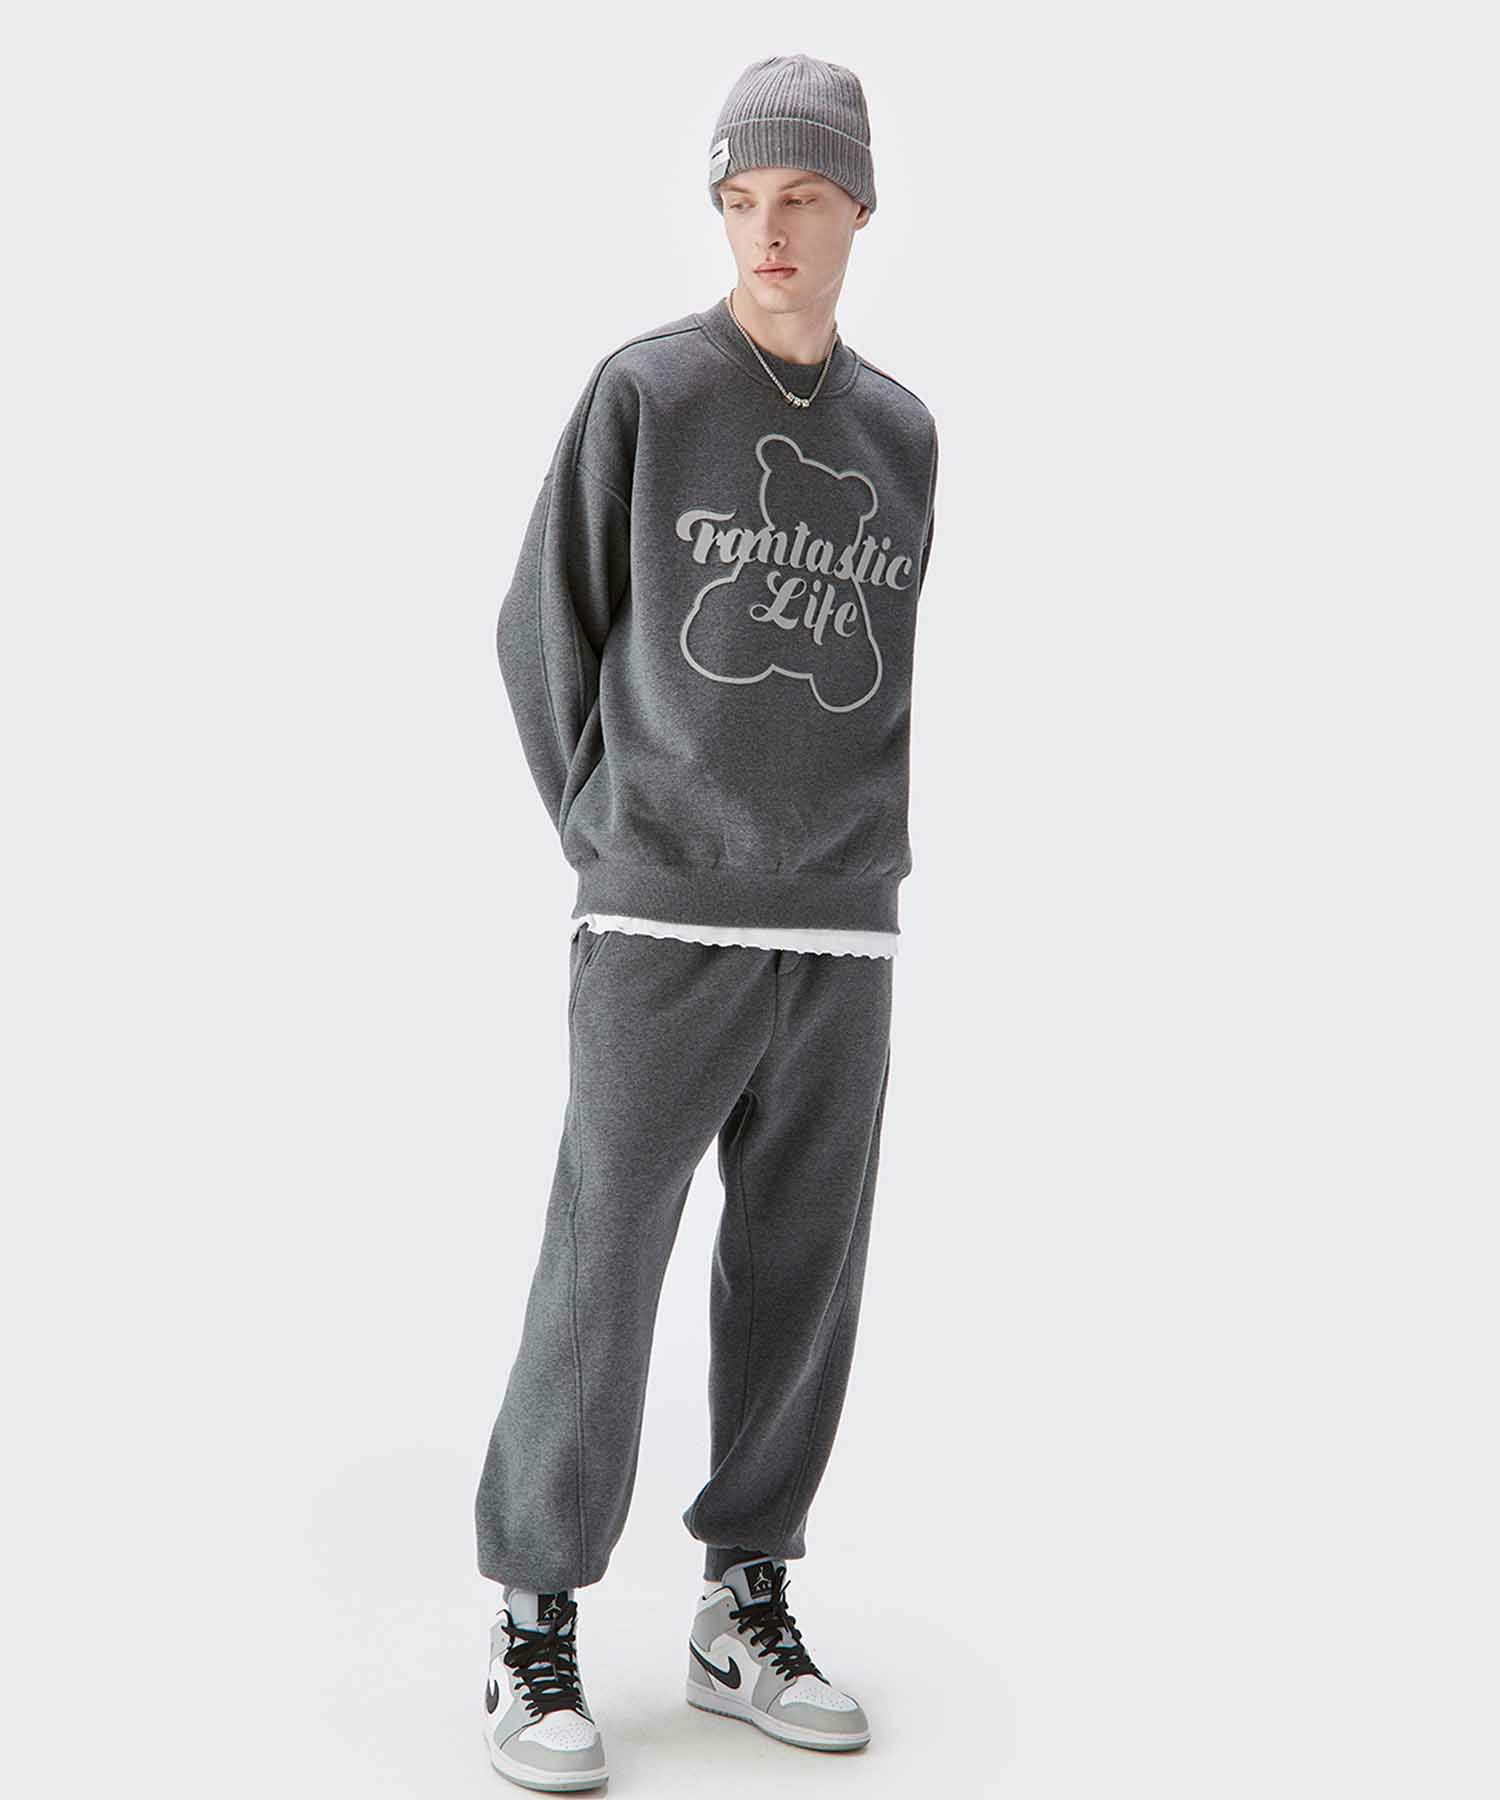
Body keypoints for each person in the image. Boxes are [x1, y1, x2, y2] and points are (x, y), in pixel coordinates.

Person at [474, 52, 940, 1791]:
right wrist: (618, 833)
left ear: (860, 208)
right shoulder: (649, 392)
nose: (770, 230)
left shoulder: (903, 432)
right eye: (742, 200)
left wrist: (854, 859)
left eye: (802, 197)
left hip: (846, 930)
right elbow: (540, 628)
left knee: (802, 1281)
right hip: (658, 924)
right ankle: (533, 1615)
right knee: (602, 1268)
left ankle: (746, 1598)